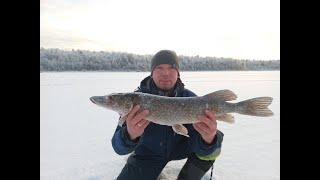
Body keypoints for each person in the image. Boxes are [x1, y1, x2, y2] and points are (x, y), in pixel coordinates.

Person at [111, 50, 224, 180]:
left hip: (182, 148)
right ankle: (138, 162)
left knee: (215, 140)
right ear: (152, 73)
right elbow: (118, 147)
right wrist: (130, 135)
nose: (166, 73)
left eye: (171, 68)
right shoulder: (134, 101)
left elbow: (199, 143)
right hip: (149, 155)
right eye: (159, 68)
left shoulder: (190, 98)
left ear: (178, 73)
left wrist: (208, 140)